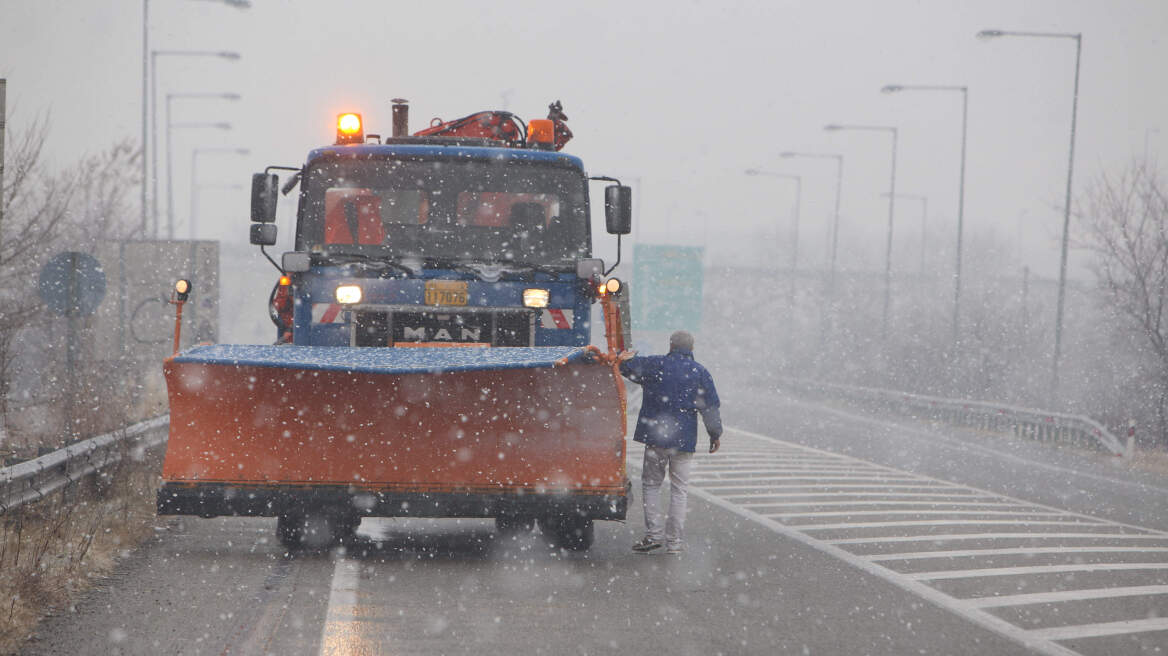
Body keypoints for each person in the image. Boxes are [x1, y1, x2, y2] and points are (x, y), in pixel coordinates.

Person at [619, 330, 722, 554]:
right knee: (679, 490)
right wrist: (715, 434)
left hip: (656, 438)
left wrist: (624, 356)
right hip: (684, 440)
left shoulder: (655, 365)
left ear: (671, 345)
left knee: (652, 485)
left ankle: (653, 535)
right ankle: (674, 543)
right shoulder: (700, 372)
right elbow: (710, 407)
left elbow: (625, 367)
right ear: (691, 348)